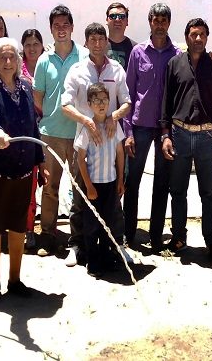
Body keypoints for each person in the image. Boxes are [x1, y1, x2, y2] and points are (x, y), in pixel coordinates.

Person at [0, 37, 48, 305]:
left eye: (12, 57)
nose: (8, 62)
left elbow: (32, 127)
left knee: (18, 226)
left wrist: (39, 161)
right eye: (3, 57)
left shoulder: (26, 88)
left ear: (19, 61)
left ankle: (14, 280)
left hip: (22, 169)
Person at [159, 18, 212, 265]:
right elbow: (166, 101)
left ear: (207, 37)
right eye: (193, 34)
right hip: (180, 134)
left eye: (201, 34)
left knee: (208, 193)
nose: (197, 38)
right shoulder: (174, 64)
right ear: (186, 37)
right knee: (177, 190)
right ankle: (178, 237)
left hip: (208, 137)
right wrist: (165, 135)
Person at [62, 23, 132, 264]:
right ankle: (77, 245)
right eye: (93, 39)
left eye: (101, 38)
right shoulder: (77, 70)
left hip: (111, 140)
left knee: (112, 199)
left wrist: (113, 116)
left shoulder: (117, 70)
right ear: (87, 42)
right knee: (81, 195)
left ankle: (116, 245)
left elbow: (126, 102)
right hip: (85, 142)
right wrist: (86, 120)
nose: (98, 43)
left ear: (106, 42)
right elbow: (66, 104)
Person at [123, 3, 181, 253]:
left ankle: (156, 236)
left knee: (162, 183)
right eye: (155, 20)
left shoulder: (177, 54)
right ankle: (128, 234)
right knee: (132, 182)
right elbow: (128, 94)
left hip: (165, 131)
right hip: (139, 127)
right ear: (149, 22)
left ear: (169, 23)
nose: (159, 25)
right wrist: (127, 132)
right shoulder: (138, 53)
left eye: (163, 20)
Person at [32, 5, 89, 262]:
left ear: (72, 27)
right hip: (51, 133)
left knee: (80, 188)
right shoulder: (44, 60)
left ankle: (79, 238)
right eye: (56, 25)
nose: (61, 29)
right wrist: (53, 116)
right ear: (51, 29)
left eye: (65, 24)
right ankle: (47, 235)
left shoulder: (85, 56)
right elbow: (38, 96)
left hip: (79, 134)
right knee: (50, 188)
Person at [74, 82, 126, 276]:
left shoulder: (114, 127)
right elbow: (80, 158)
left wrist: (120, 179)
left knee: (108, 222)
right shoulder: (88, 128)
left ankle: (106, 256)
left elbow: (120, 153)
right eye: (96, 100)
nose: (101, 104)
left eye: (104, 100)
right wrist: (88, 185)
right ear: (89, 104)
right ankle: (92, 259)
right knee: (91, 225)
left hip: (111, 183)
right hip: (93, 185)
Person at [20, 28, 46, 249]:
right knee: (23, 183)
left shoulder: (47, 64)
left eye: (35, 43)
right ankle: (21, 227)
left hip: (47, 130)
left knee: (40, 181)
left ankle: (34, 227)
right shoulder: (16, 68)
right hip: (24, 133)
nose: (32, 47)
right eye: (27, 43)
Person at [105, 2, 136, 70]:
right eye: (112, 16)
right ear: (107, 20)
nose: (117, 20)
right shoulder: (96, 45)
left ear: (127, 21)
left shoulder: (136, 49)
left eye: (122, 17)